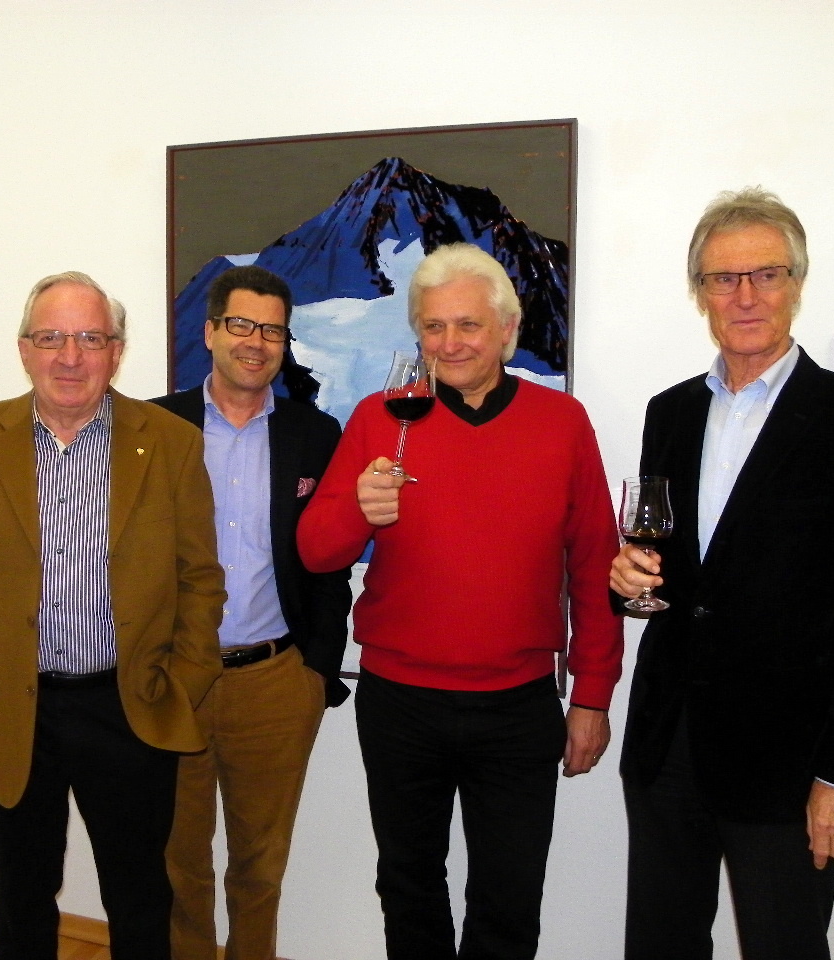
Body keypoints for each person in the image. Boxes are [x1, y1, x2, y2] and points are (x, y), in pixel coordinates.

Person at [610, 187, 834, 960]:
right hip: (668, 746)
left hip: (791, 763)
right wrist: (627, 582)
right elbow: (670, 576)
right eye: (724, 278)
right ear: (701, 292)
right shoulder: (670, 413)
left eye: (766, 275)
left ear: (796, 284)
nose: (745, 296)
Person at [297, 242, 623, 960]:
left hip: (518, 706)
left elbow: (594, 565)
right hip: (399, 702)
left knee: (510, 895)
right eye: (434, 327)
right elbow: (318, 552)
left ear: (507, 329)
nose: (450, 343)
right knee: (408, 884)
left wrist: (593, 696)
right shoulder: (380, 419)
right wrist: (356, 507)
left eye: (468, 325)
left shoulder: (562, 423)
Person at [0, 271, 225, 960]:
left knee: (139, 892)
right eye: (51, 337)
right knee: (21, 891)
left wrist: (180, 687)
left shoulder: (171, 441)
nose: (69, 357)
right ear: (23, 349)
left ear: (117, 351)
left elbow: (200, 580)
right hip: (10, 712)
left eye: (90, 338)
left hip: (131, 705)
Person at [151, 265, 352, 960]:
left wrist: (316, 671)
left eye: (272, 330)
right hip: (174, 681)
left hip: (275, 682)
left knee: (261, 866)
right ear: (210, 332)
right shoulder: (153, 427)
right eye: (241, 324)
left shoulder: (315, 433)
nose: (256, 342)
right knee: (177, 864)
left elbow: (330, 561)